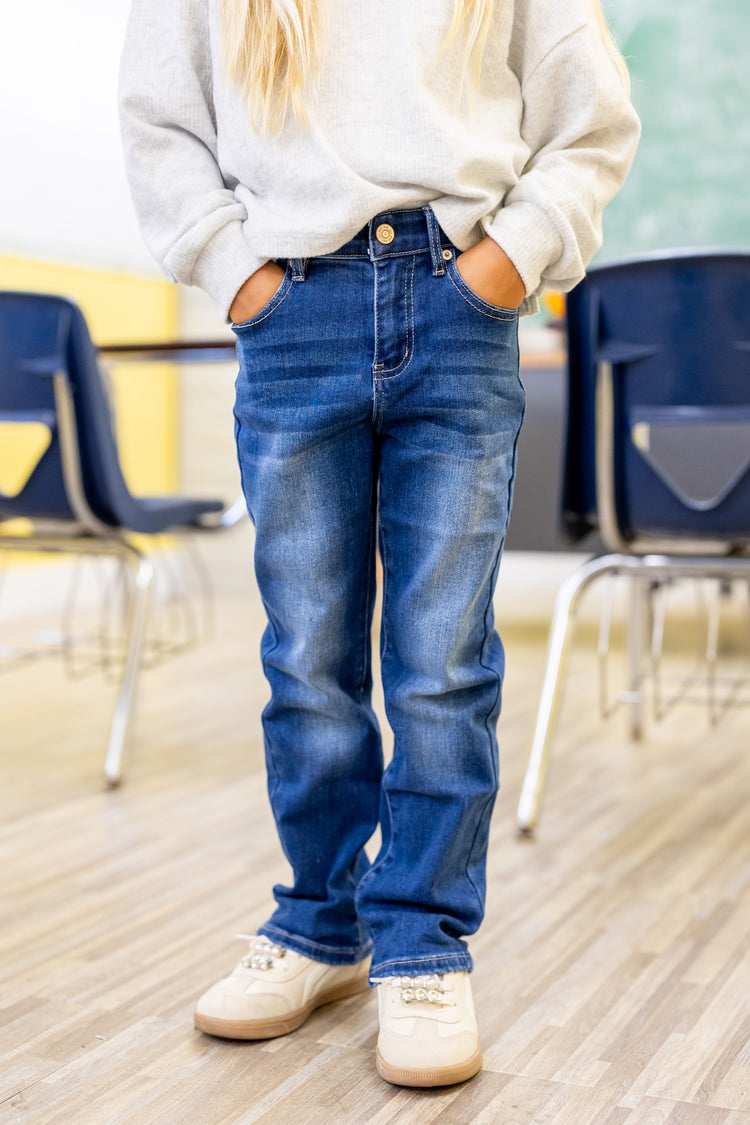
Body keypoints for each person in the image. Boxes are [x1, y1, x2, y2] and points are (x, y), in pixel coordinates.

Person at [119, 0, 639, 1088]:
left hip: (462, 308)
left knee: (441, 661)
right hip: (290, 306)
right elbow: (160, 121)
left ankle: (421, 938)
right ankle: (320, 921)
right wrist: (237, 274)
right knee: (306, 655)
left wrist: (509, 260)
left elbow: (591, 123)